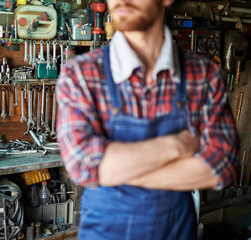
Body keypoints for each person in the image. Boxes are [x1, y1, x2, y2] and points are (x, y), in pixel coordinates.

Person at [55, 0, 239, 239]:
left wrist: (116, 173)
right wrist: (176, 145)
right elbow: (84, 165)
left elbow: (220, 166)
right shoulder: (81, 74)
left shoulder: (204, 74)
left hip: (175, 230)